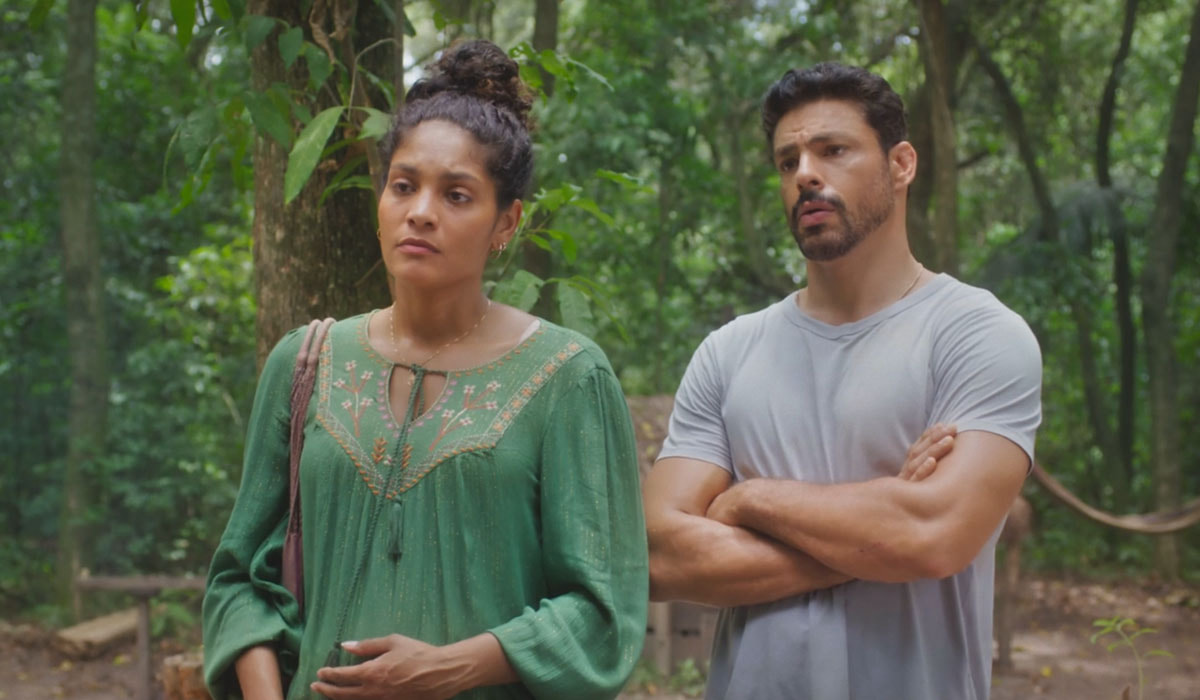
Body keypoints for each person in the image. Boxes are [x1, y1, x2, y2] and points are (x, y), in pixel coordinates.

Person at [202, 40, 648, 700]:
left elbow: (605, 610)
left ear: (506, 223)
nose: (420, 212)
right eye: (403, 186)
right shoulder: (307, 361)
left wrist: (456, 665)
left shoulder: (569, 377)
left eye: (458, 195)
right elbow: (239, 580)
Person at [643, 62, 1042, 699]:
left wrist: (749, 503)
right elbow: (658, 557)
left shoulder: (976, 334)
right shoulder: (729, 351)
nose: (804, 173)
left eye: (833, 150)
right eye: (787, 160)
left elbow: (935, 537)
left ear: (901, 164)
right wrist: (881, 527)